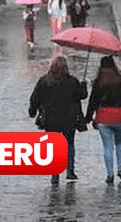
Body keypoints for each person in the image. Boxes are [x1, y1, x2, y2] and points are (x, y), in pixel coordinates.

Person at [29, 56, 88, 184]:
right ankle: (70, 171)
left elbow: (35, 98)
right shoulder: (72, 82)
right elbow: (81, 96)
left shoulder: (44, 81)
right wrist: (83, 86)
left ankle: (55, 174)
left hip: (51, 120)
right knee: (69, 145)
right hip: (69, 119)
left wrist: (32, 111)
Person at [85, 56, 121, 184]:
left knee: (108, 146)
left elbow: (92, 102)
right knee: (120, 143)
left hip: (104, 117)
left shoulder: (98, 82)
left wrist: (88, 118)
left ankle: (110, 174)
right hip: (120, 116)